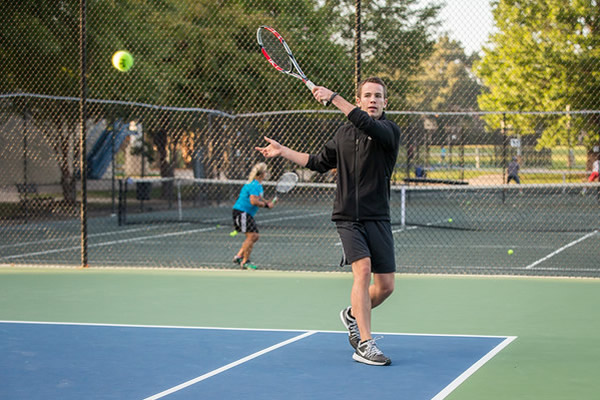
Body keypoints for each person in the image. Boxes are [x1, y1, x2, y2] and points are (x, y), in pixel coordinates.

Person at [256, 77, 401, 366]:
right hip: (347, 216)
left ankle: (351, 314)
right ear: (358, 100)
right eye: (367, 95)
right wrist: (283, 151)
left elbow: (366, 124)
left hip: (378, 216)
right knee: (363, 271)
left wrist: (333, 96)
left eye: (378, 96)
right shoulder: (343, 134)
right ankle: (366, 344)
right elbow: (319, 162)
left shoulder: (388, 131)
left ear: (386, 102)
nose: (373, 100)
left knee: (385, 287)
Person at [232, 162, 274, 270]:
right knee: (252, 236)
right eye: (265, 171)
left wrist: (267, 202)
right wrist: (266, 205)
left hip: (244, 213)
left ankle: (239, 256)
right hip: (241, 212)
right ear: (262, 174)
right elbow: (253, 201)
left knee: (254, 236)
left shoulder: (257, 185)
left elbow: (259, 198)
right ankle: (245, 261)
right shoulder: (254, 185)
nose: (266, 173)